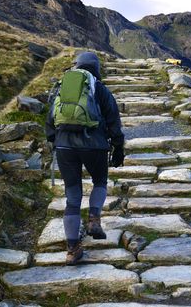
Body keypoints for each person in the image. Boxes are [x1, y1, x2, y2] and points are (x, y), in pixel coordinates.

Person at [45, 52, 125, 265]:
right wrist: (118, 146)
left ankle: (72, 249)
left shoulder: (63, 86)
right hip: (95, 145)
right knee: (99, 181)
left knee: (72, 196)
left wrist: (54, 140)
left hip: (64, 146)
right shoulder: (99, 88)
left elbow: (50, 119)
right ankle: (93, 219)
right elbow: (113, 121)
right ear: (96, 68)